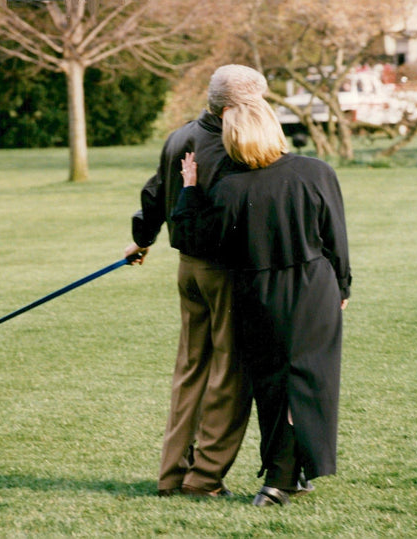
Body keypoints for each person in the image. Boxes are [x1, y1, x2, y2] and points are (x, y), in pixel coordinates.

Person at [171, 98, 352, 507]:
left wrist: (188, 190)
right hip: (313, 291)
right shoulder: (316, 172)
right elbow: (335, 236)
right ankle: (283, 477)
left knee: (274, 386)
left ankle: (287, 473)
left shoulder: (228, 188)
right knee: (305, 383)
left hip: (257, 295)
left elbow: (194, 239)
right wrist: (342, 287)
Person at [123, 65, 269, 498]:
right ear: (236, 105)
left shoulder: (179, 136)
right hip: (225, 270)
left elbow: (154, 193)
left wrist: (142, 240)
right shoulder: (236, 140)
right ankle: (203, 479)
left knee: (190, 370)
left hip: (187, 268)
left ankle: (172, 475)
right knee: (229, 373)